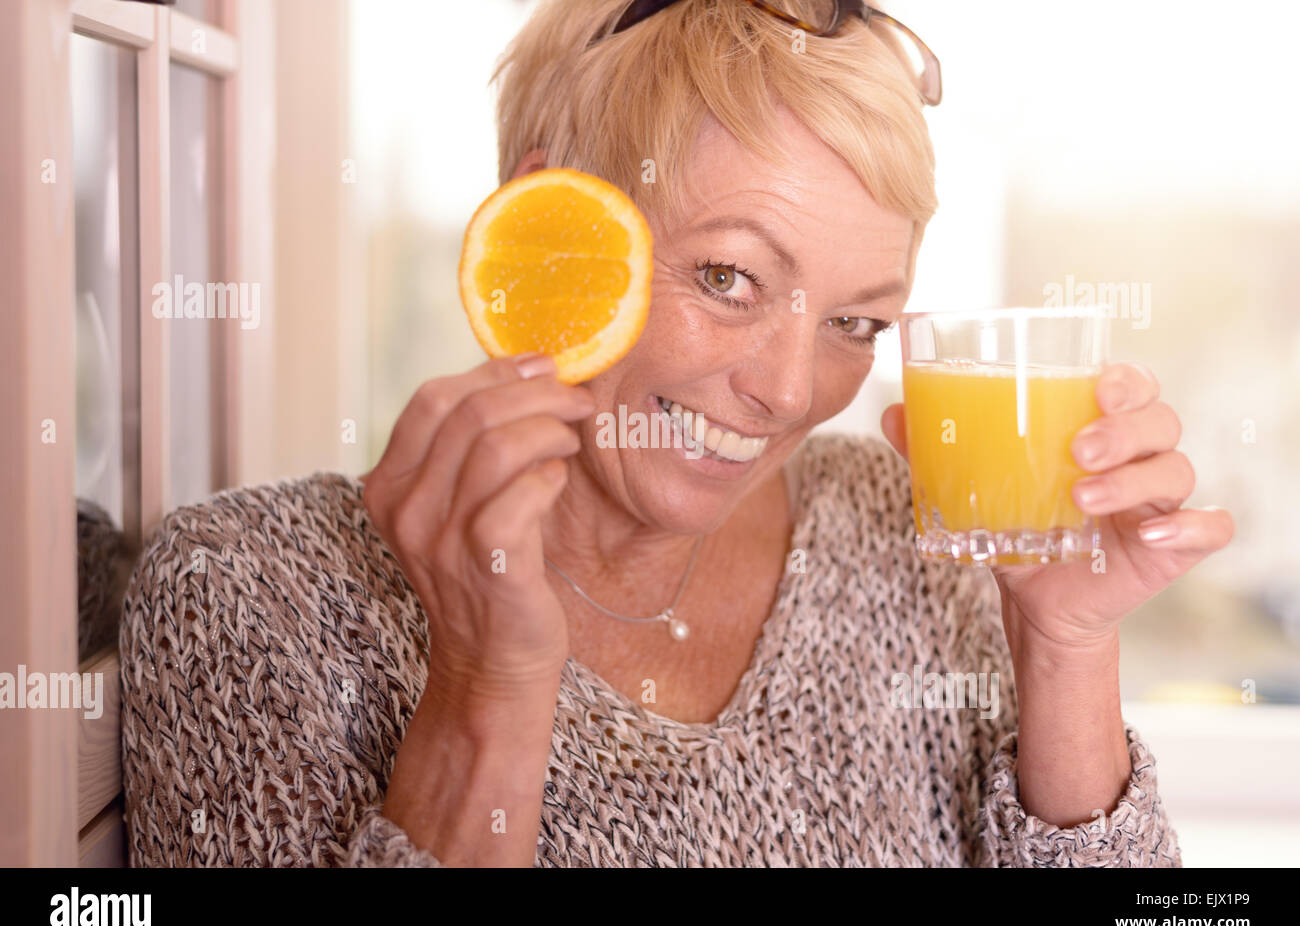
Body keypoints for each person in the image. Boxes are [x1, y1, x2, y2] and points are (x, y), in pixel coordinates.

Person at [121, 0, 1232, 867]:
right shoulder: (249, 591)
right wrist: (487, 684)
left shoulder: (918, 532)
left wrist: (1064, 647)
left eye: (856, 321)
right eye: (728, 277)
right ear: (552, 235)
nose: (792, 390)